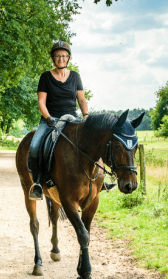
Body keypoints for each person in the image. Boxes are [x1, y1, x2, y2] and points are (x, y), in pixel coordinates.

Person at [28, 41, 115, 200]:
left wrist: (86, 114)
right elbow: (41, 102)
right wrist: (48, 118)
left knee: (94, 143)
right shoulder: (46, 77)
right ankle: (38, 184)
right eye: (57, 55)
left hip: (72, 119)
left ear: (68, 58)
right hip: (50, 119)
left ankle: (101, 181)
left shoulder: (75, 76)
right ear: (52, 58)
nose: (61, 58)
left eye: (64, 55)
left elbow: (81, 99)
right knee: (34, 147)